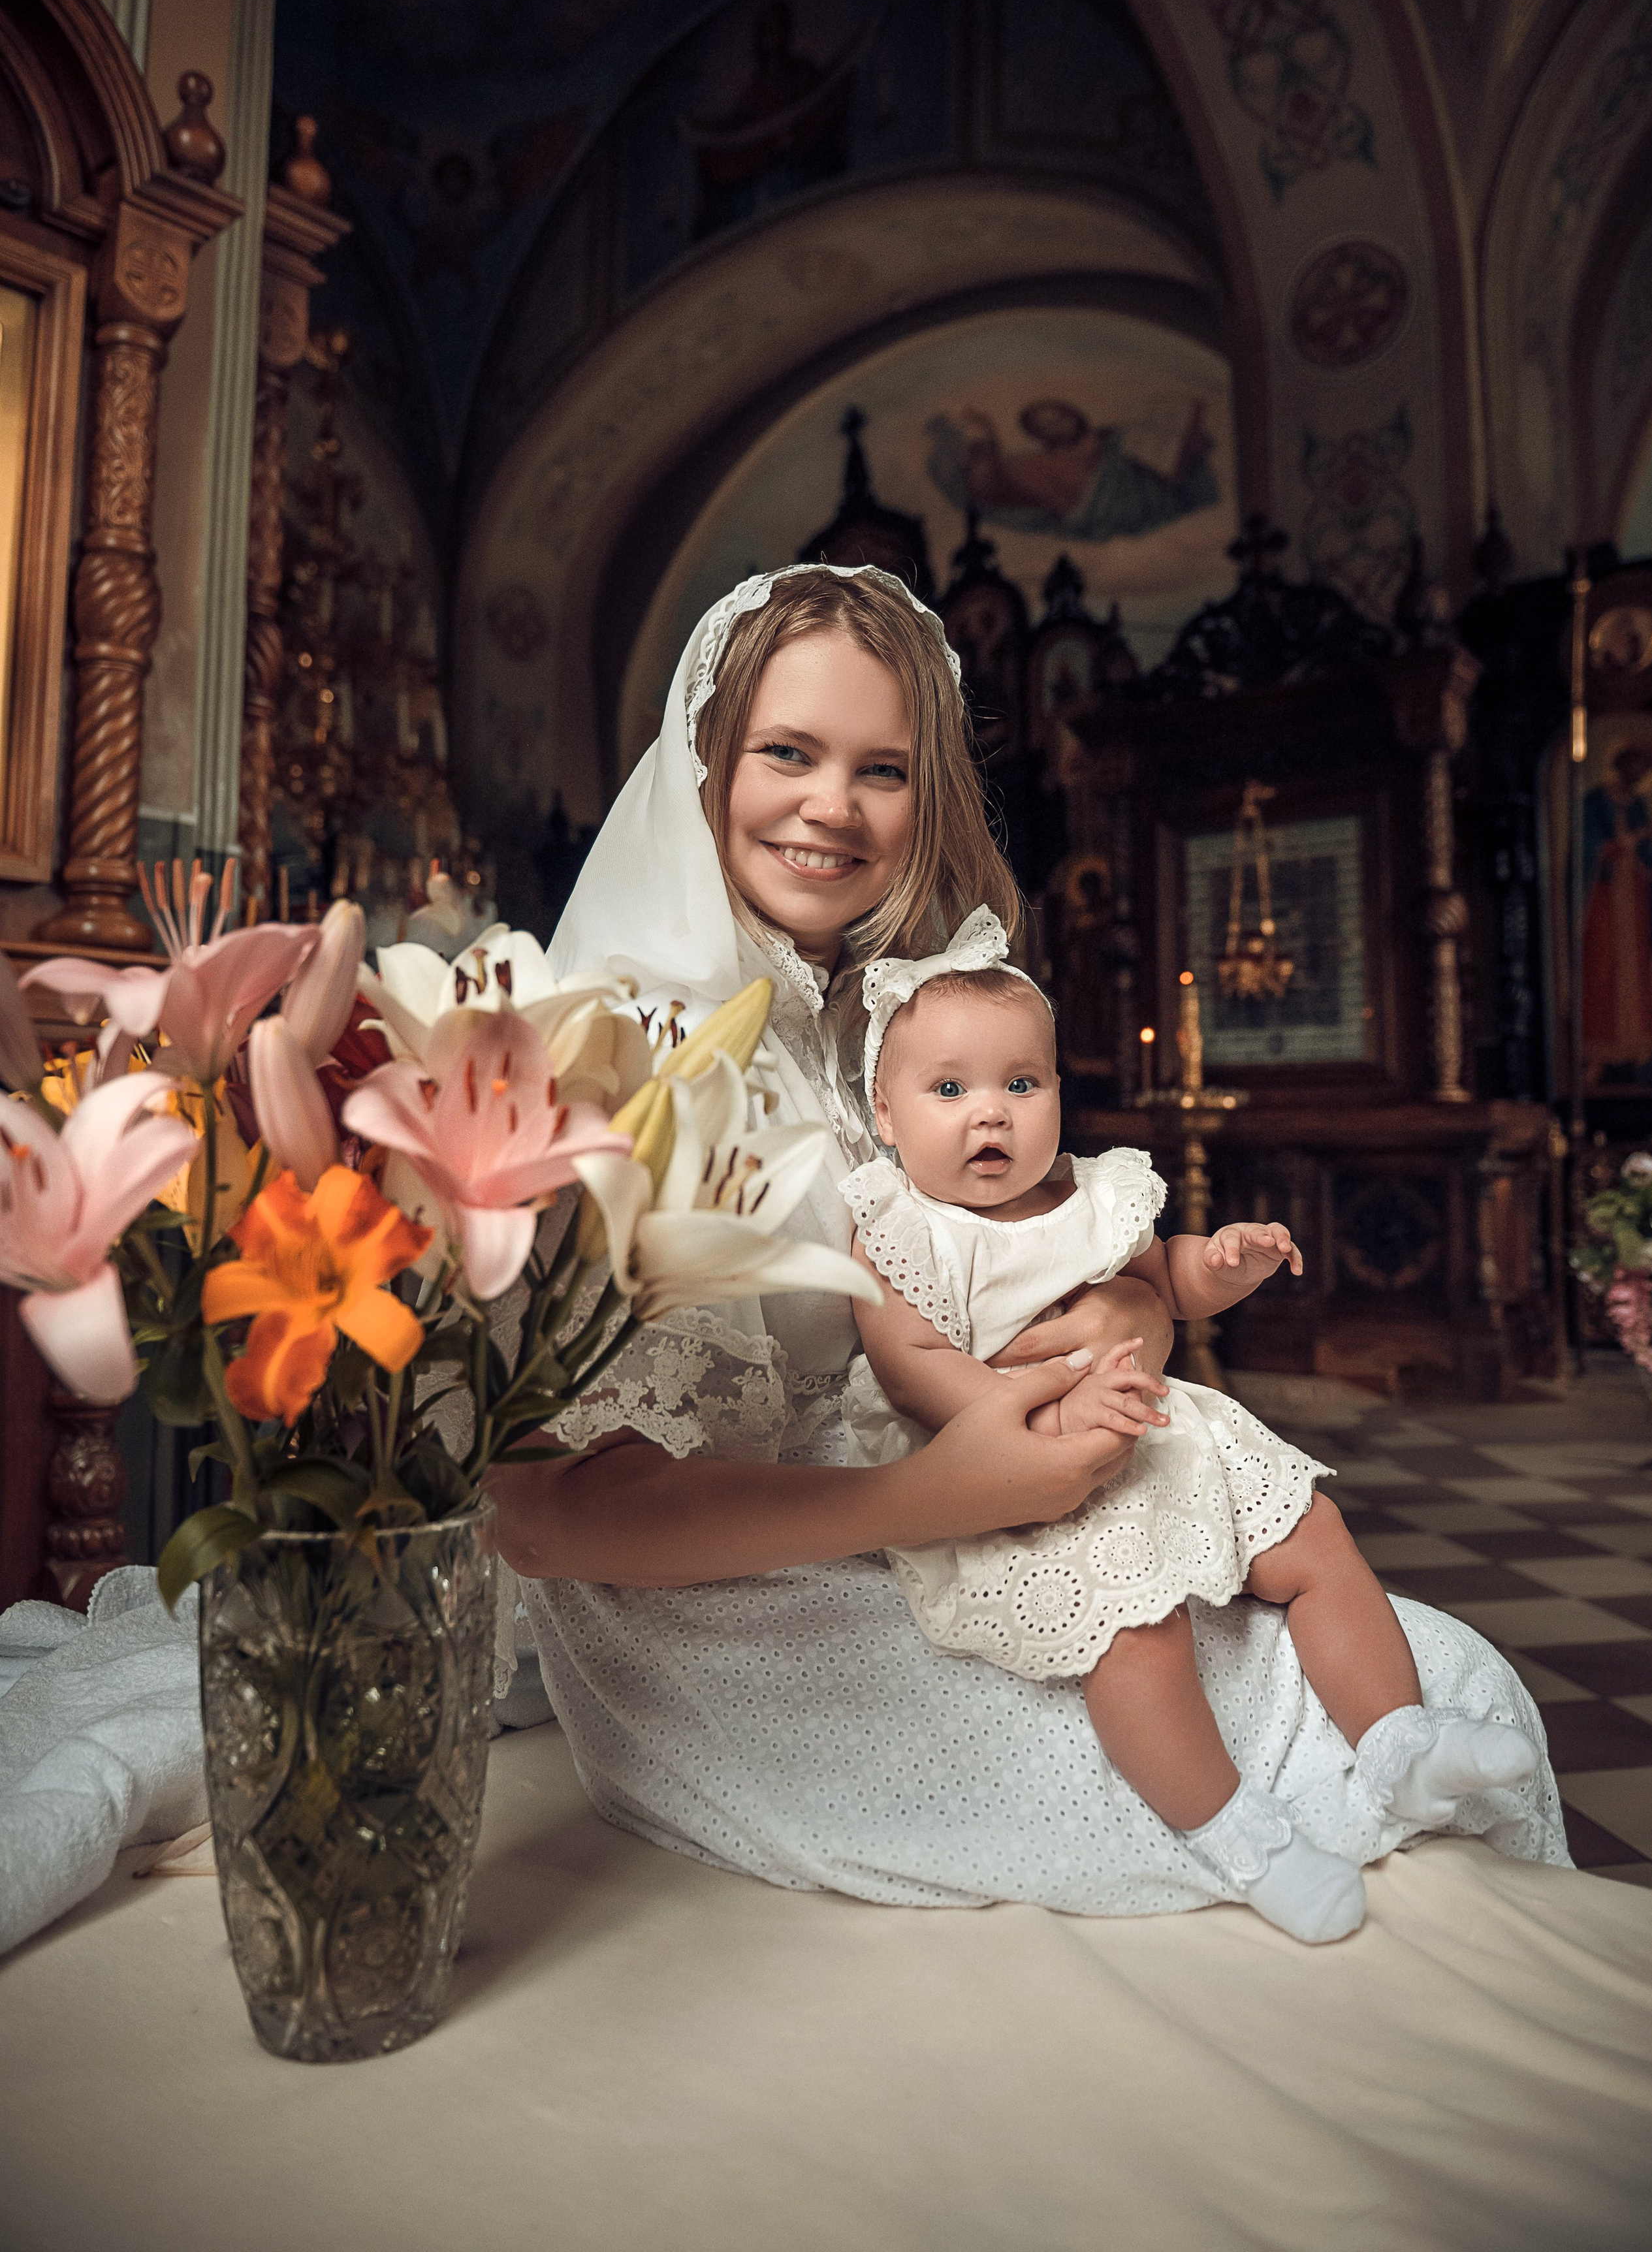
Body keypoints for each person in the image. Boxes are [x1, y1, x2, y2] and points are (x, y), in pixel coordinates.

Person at [491, 561, 1566, 1916]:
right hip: (724, 1619)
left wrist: (1130, 1320)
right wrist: (942, 1495)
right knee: (1388, 1696)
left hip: (948, 1518)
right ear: (702, 763)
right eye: (785, 752)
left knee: (1417, 1667)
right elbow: (537, 1518)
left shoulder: (900, 1026)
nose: (831, 805)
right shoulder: (608, 1051)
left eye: (880, 768)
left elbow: (1030, 1261)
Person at [838, 928, 1538, 1942]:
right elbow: (911, 1365)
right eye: (948, 1090)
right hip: (1014, 1473)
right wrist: (1031, 1410)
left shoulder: (1088, 1196)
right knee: (1138, 1629)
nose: (990, 1110)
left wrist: (1222, 1262)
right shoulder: (899, 1227)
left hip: (1161, 1432)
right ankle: (1239, 1837)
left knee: (1316, 1537)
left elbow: (1162, 1281)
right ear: (886, 1117)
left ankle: (1400, 1743)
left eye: (1021, 1084)